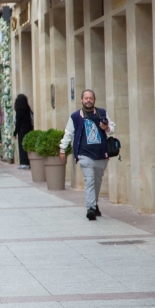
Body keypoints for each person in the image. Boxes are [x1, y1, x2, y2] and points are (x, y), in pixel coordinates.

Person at [59, 90, 115, 221]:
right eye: (86, 98)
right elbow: (68, 133)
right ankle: (90, 208)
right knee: (89, 180)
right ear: (81, 100)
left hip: (101, 154)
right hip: (85, 154)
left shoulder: (102, 113)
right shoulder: (75, 116)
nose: (88, 100)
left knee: (97, 181)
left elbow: (112, 129)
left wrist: (106, 127)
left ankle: (94, 205)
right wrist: (62, 149)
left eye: (90, 98)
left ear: (94, 100)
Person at [13, 94, 33, 169]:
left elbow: (18, 123)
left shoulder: (19, 111)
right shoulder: (28, 110)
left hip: (21, 130)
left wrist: (15, 132)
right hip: (29, 129)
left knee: (22, 146)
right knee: (27, 146)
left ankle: (23, 162)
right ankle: (28, 162)